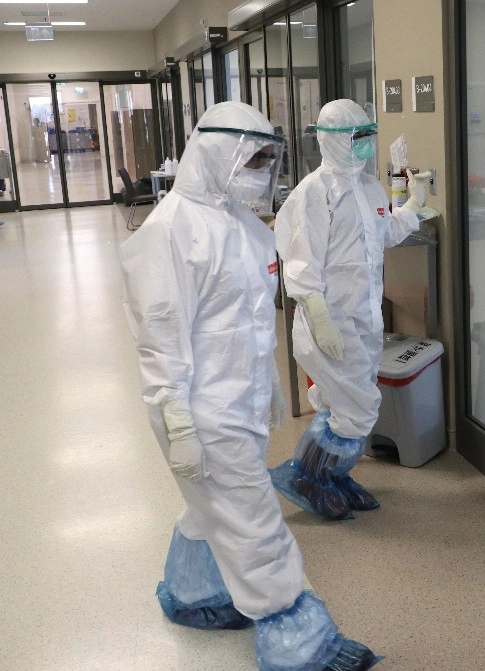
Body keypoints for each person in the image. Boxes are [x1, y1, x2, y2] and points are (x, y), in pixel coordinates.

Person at [120, 101, 379, 671]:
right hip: (200, 411)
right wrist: (179, 425)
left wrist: (269, 390)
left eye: (267, 159)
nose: (261, 172)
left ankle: (197, 594)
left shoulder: (241, 224)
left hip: (240, 399)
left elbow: (252, 323)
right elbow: (160, 341)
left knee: (211, 507)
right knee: (254, 522)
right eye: (252, 159)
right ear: (216, 154)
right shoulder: (169, 233)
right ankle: (299, 643)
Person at [272, 99, 430, 520]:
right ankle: (306, 476)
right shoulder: (313, 193)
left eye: (367, 135)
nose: (364, 144)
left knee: (340, 403)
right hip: (331, 319)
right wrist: (321, 319)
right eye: (355, 137)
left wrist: (414, 205)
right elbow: (300, 262)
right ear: (331, 140)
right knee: (358, 408)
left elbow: (385, 233)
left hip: (365, 316)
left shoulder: (369, 186)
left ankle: (332, 477)